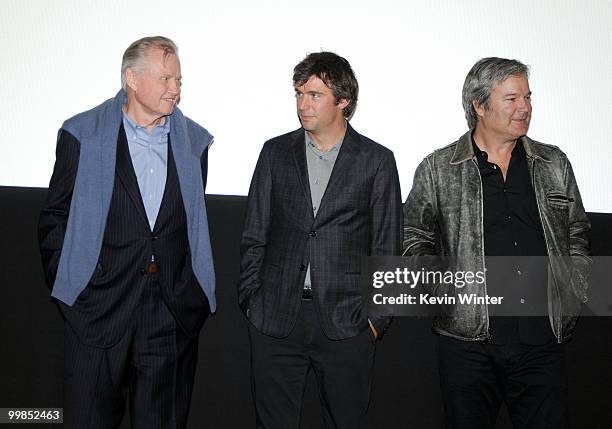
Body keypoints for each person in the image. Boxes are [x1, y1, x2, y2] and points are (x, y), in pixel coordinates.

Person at [403, 57, 591, 428]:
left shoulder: (554, 163)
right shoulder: (438, 168)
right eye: (511, 98)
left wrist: (573, 288)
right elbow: (414, 238)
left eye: (528, 97)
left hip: (542, 341)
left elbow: (577, 232)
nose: (525, 107)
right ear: (479, 105)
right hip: (467, 345)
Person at [38, 36, 215, 429]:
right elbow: (54, 219)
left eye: (179, 81)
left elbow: (188, 227)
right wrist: (74, 288)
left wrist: (192, 293)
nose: (176, 90)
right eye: (166, 79)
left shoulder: (195, 145)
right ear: (132, 79)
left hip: (169, 312)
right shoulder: (81, 134)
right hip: (98, 307)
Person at [238, 51, 401, 429]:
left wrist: (376, 321)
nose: (302, 104)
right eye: (299, 94)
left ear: (343, 101)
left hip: (347, 324)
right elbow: (254, 233)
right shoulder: (275, 152)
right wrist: (251, 300)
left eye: (314, 95)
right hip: (276, 319)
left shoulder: (376, 160)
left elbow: (388, 249)